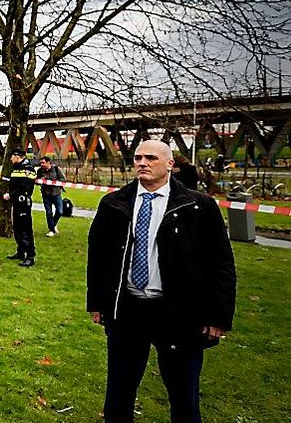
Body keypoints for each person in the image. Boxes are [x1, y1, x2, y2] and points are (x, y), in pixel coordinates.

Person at [87, 140, 236, 423]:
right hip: (129, 310)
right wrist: (97, 302)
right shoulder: (114, 204)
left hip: (178, 313)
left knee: (183, 394)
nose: (143, 163)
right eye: (138, 157)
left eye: (151, 158)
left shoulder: (198, 207)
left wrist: (218, 316)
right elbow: (99, 257)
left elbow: (221, 264)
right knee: (119, 391)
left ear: (169, 164)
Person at [3, 149, 37, 267]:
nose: (10, 159)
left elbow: (24, 187)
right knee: (17, 227)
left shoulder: (27, 168)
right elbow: (15, 184)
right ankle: (21, 251)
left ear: (17, 156)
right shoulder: (17, 167)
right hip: (16, 202)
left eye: (11, 156)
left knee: (25, 228)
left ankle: (30, 256)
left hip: (23, 202)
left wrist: (10, 195)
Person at [36, 156, 66, 237]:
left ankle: (53, 224)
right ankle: (51, 230)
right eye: (41, 163)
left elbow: (63, 179)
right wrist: (41, 180)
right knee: (49, 212)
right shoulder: (39, 171)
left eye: (43, 162)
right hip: (46, 194)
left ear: (48, 162)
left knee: (60, 211)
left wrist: (53, 182)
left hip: (56, 194)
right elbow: (37, 181)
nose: (41, 164)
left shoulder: (56, 169)